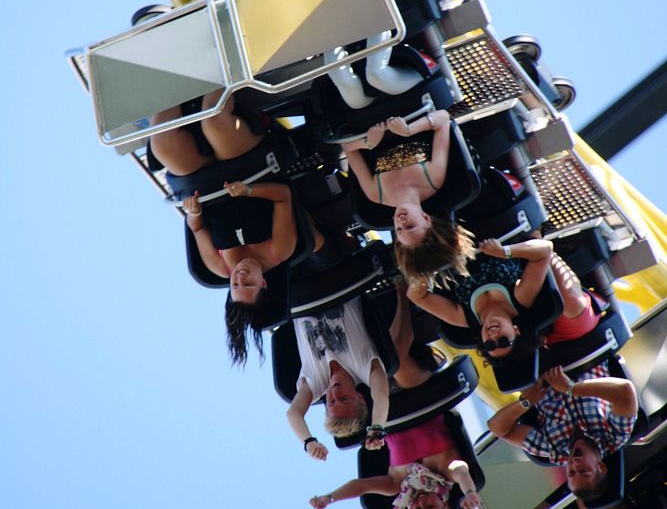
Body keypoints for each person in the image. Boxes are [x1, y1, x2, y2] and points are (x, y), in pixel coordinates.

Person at [150, 92, 327, 365]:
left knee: (162, 144)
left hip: (205, 182)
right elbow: (283, 196)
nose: (240, 275)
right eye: (249, 283)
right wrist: (249, 190)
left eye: (235, 283)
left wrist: (194, 213)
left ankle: (169, 79)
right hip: (251, 166)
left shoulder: (218, 267)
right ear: (264, 282)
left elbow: (196, 229)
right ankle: (215, 66)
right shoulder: (279, 250)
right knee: (214, 122)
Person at [288, 283, 439, 457]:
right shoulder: (367, 369)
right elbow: (381, 395)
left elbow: (293, 412)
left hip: (297, 291)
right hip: (334, 277)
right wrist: (377, 428)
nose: (335, 394)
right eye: (344, 399)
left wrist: (308, 442)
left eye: (331, 402)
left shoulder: (315, 383)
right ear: (360, 398)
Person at [406, 238, 603, 364]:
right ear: (516, 331)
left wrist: (426, 271)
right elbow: (545, 250)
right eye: (503, 340)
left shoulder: (463, 318)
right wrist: (505, 252)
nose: (493, 336)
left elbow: (416, 296)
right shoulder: (521, 299)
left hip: (443, 241)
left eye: (489, 345)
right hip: (489, 231)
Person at [343, 108, 476, 274]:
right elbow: (443, 118)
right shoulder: (433, 180)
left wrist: (367, 143)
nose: (401, 222)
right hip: (408, 106)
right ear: (427, 219)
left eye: (399, 230)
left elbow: (347, 147)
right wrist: (408, 130)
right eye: (411, 226)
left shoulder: (376, 195)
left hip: (361, 116)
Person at [309, 414, 480, 509]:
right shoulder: (447, 473)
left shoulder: (396, 484)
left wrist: (329, 498)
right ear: (445, 505)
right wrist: (470, 492)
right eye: (429, 507)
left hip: (384, 408)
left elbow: (360, 486)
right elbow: (462, 471)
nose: (422, 501)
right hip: (422, 393)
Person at [487, 364, 638, 494]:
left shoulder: (552, 450)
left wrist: (526, 403)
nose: (575, 464)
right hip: (580, 351)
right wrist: (571, 389)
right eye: (584, 470)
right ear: (601, 466)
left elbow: (497, 428)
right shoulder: (615, 436)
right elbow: (625, 391)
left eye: (571, 472)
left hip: (538, 368)